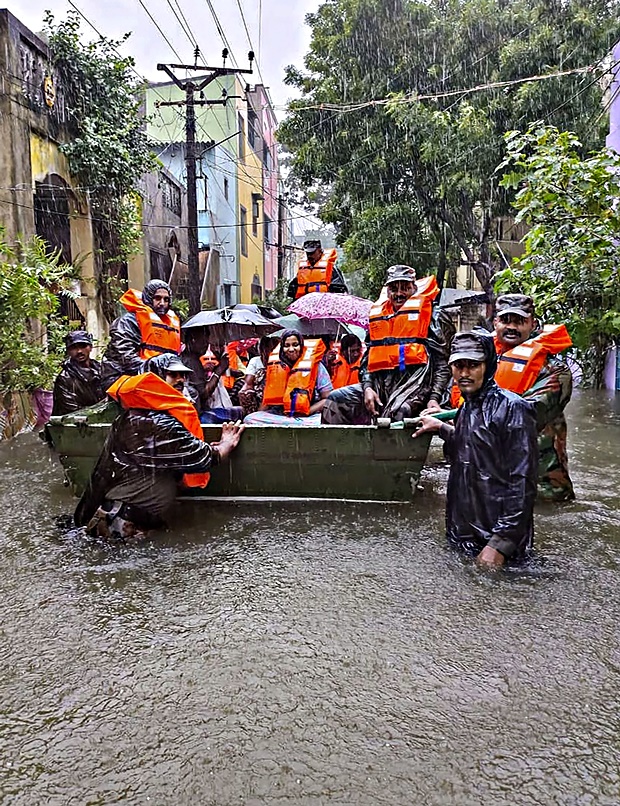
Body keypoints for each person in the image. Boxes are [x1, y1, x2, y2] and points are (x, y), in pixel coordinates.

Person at [74, 352, 243, 542]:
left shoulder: (140, 415)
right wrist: (225, 445)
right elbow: (203, 458)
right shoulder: (154, 421)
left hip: (129, 520)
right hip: (119, 526)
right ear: (153, 378)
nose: (181, 381)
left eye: (183, 376)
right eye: (173, 375)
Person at [415, 329, 538, 569]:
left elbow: (523, 483)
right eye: (458, 366)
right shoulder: (465, 409)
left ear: (488, 365)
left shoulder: (513, 409)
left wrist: (500, 544)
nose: (464, 373)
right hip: (462, 534)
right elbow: (471, 447)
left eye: (472, 365)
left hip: (498, 544)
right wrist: (440, 427)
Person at [321, 265, 450, 424]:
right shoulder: (379, 318)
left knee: (399, 412)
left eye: (405, 288)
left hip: (417, 386)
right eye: (394, 289)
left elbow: (443, 363)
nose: (399, 294)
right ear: (387, 291)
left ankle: (388, 449)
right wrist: (368, 387)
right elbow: (367, 361)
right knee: (336, 399)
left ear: (414, 288)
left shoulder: (433, 317)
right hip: (380, 385)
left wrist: (435, 398)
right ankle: (335, 448)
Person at [493, 293, 575, 502]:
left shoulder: (556, 371)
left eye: (520, 321)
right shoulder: (482, 363)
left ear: (533, 324)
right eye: (505, 320)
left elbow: (528, 413)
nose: (512, 327)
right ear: (495, 322)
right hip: (497, 481)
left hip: (542, 486)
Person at [101, 279, 181, 386]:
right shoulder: (128, 321)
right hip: (122, 376)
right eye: (157, 298)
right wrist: (154, 367)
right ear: (148, 298)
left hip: (158, 376)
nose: (162, 303)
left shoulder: (170, 324)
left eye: (166, 299)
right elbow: (125, 357)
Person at [244, 329, 333, 425]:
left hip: (308, 416)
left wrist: (308, 411)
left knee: (320, 422)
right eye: (287, 346)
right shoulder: (275, 367)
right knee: (249, 419)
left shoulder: (317, 366)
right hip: (279, 414)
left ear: (301, 346)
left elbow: (327, 398)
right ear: (282, 348)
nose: (291, 349)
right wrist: (258, 413)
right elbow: (266, 402)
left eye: (295, 345)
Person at [181, 328, 244, 424]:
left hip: (197, 411)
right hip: (199, 414)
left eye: (207, 341)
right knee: (240, 412)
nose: (206, 345)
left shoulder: (188, 358)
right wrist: (219, 370)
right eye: (203, 341)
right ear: (192, 340)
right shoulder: (191, 361)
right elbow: (204, 394)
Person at [52, 331, 106, 416]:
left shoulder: (101, 370)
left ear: (90, 347)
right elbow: (71, 411)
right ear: (68, 351)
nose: (79, 351)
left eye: (83, 346)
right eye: (74, 348)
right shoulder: (65, 378)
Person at [238, 335, 281, 416]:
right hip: (259, 394)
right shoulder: (255, 361)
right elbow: (248, 382)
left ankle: (258, 415)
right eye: (266, 348)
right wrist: (244, 392)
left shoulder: (282, 361)